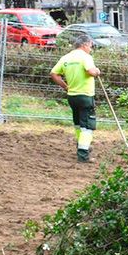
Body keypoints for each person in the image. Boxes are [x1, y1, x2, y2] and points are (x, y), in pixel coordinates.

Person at [49, 33, 101, 163]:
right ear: (85, 45)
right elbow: (90, 71)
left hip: (72, 96)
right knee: (87, 126)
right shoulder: (86, 57)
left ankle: (80, 146)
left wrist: (66, 87)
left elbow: (54, 74)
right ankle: (83, 155)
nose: (91, 49)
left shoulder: (66, 57)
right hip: (85, 96)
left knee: (78, 124)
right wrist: (97, 71)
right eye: (90, 46)